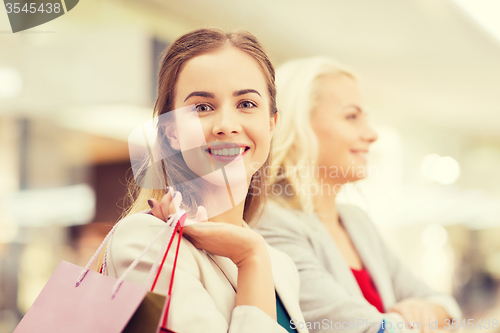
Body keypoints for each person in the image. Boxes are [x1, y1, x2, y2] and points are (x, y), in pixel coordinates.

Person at [103, 28, 308, 333]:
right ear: (171, 129)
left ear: (272, 123)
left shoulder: (280, 265)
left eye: (247, 104)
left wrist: (254, 253)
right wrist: (250, 259)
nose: (226, 126)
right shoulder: (144, 241)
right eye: (202, 108)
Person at [254, 57, 462, 333]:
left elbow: (449, 308)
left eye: (366, 118)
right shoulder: (270, 223)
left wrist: (430, 311)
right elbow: (357, 328)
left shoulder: (356, 221)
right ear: (298, 124)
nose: (372, 134)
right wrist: (426, 321)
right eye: (352, 117)